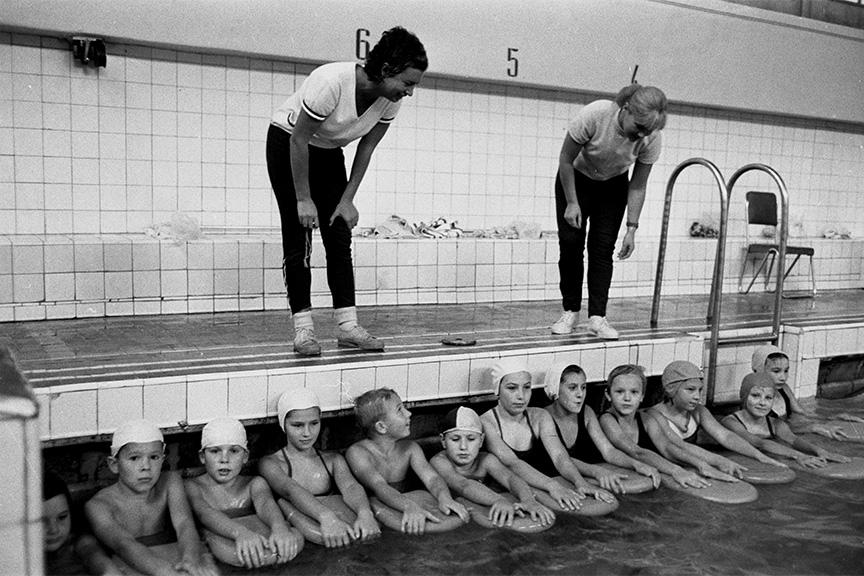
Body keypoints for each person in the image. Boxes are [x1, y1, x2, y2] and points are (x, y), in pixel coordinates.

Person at [266, 26, 428, 356]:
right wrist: (303, 198)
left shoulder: (389, 101)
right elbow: (299, 139)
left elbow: (366, 148)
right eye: (407, 83)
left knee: (339, 235)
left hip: (328, 153)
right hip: (289, 144)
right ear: (387, 69)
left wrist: (347, 199)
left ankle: (348, 327)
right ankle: (303, 331)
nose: (410, 92)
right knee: (299, 237)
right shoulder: (331, 81)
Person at [551, 84, 668, 339]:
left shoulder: (651, 138)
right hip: (576, 179)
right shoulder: (595, 114)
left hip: (613, 186)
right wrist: (572, 202)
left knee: (602, 249)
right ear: (626, 110)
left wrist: (632, 228)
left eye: (648, 131)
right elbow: (565, 160)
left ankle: (597, 317)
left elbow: (638, 185)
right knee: (571, 245)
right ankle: (570, 311)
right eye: (639, 127)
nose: (641, 135)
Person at [84, 419, 219, 576]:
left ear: (163, 459)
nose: (146, 467)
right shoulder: (99, 505)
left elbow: (184, 524)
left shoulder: (170, 482)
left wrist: (190, 560)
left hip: (165, 553)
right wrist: (168, 573)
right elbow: (123, 544)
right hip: (129, 562)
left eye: (154, 457)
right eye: (134, 458)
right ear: (114, 464)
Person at [479, 358, 617, 511]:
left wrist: (581, 483)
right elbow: (513, 463)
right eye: (512, 388)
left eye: (526, 387)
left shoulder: (539, 416)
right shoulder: (487, 422)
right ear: (497, 390)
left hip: (540, 487)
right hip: (506, 494)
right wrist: (554, 487)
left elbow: (559, 456)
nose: (521, 396)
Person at [258, 389, 381, 547]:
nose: (307, 433)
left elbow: (350, 487)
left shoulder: (332, 461)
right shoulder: (271, 463)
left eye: (314, 423)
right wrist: (328, 518)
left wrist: (365, 513)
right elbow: (290, 489)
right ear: (284, 425)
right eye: (297, 425)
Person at [345, 388, 470, 535]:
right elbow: (379, 486)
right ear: (381, 427)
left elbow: (432, 478)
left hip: (405, 499)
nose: (409, 413)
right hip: (378, 505)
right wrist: (409, 507)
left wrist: (445, 498)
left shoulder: (410, 448)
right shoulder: (358, 452)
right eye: (400, 410)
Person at [185, 417, 303, 569]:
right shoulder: (192, 486)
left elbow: (265, 504)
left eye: (234, 451)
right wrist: (240, 533)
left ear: (245, 456)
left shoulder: (254, 484)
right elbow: (204, 513)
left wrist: (279, 527)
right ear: (202, 457)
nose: (224, 459)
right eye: (215, 451)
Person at [598, 364, 723, 489]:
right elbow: (637, 452)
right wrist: (676, 471)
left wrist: (701, 465)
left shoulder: (646, 419)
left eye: (634, 392)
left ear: (642, 396)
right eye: (619, 392)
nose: (627, 398)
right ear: (608, 395)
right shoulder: (607, 419)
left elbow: (667, 447)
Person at [430, 406, 555, 529]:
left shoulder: (486, 460)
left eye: (471, 439)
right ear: (443, 440)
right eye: (455, 439)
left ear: (481, 441)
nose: (463, 447)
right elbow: (463, 484)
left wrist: (529, 500)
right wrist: (499, 500)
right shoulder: (439, 461)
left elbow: (510, 478)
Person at [645, 360, 788, 468]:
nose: (697, 396)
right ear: (671, 389)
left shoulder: (698, 411)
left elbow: (725, 436)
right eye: (690, 390)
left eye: (700, 390)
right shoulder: (653, 415)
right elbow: (680, 447)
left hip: (691, 462)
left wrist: (759, 456)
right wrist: (720, 461)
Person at [543, 362, 661, 492]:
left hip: (586, 474)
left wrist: (637, 465)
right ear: (555, 389)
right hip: (557, 479)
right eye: (572, 388)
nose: (580, 394)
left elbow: (609, 451)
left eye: (583, 387)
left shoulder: (586, 413)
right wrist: (597, 472)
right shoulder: (543, 416)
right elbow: (561, 458)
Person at [721, 373, 850, 468]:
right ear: (744, 397)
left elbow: (793, 439)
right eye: (755, 396)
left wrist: (819, 451)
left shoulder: (775, 423)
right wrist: (799, 456)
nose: (762, 403)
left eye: (768, 398)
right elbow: (759, 443)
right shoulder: (731, 422)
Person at [752, 344, 864, 440]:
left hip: (790, 432)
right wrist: (812, 428)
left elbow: (801, 413)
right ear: (759, 370)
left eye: (786, 371)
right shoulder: (754, 399)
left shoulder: (784, 389)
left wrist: (832, 417)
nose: (783, 377)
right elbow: (768, 430)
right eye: (776, 371)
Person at [43, 469, 122, 576]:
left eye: (62, 517)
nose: (54, 529)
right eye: (41, 522)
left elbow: (102, 565)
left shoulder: (80, 544)